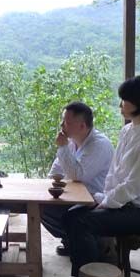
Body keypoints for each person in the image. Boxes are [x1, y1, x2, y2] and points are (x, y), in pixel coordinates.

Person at [54, 76, 140, 277]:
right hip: (125, 203)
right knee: (71, 215)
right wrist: (102, 197)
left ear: (139, 103)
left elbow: (133, 186)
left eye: (125, 100)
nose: (120, 104)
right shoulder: (129, 130)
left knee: (83, 222)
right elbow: (114, 174)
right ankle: (90, 276)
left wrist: (105, 202)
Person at [42, 102, 114, 257]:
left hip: (95, 200)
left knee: (68, 215)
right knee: (40, 206)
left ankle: (95, 244)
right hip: (74, 196)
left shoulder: (99, 144)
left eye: (66, 122)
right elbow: (56, 170)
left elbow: (78, 175)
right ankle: (72, 241)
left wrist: (62, 148)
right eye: (62, 120)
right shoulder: (72, 141)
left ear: (82, 126)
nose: (61, 125)